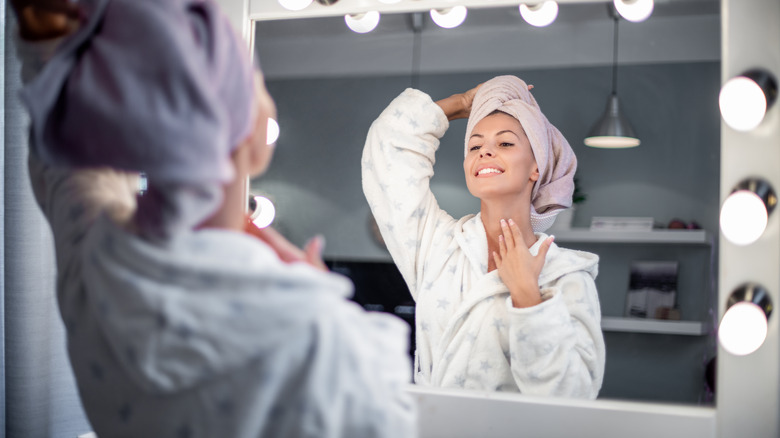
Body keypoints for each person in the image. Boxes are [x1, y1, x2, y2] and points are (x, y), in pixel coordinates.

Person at [10, 0, 416, 436]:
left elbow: (68, 172)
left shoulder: (96, 261)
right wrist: (317, 294)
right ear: (256, 131)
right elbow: (387, 415)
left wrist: (46, 43)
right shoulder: (314, 337)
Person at [362, 76, 606, 398]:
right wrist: (462, 104)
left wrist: (528, 297)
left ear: (537, 166)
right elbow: (389, 148)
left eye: (505, 143)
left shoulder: (566, 276)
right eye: (475, 145)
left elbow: (574, 394)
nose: (485, 152)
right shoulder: (438, 246)